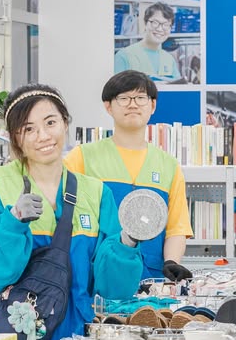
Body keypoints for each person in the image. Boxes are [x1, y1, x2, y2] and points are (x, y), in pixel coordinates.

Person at [0, 85, 143, 340]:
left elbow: (111, 290)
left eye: (50, 122)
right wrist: (13, 221)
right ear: (15, 137)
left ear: (65, 123)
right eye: (28, 129)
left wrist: (127, 243)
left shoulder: (96, 193)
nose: (43, 136)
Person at [65, 70, 194, 282]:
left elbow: (176, 227)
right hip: (97, 276)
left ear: (153, 105)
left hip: (151, 279)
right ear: (108, 106)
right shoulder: (82, 158)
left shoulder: (168, 165)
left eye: (140, 98)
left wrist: (171, 262)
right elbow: (65, 219)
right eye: (123, 98)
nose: (133, 104)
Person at [113, 1, 180, 82]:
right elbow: (116, 89)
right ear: (145, 23)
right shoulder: (124, 56)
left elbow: (178, 86)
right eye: (155, 23)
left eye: (166, 24)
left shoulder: (169, 59)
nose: (160, 29)